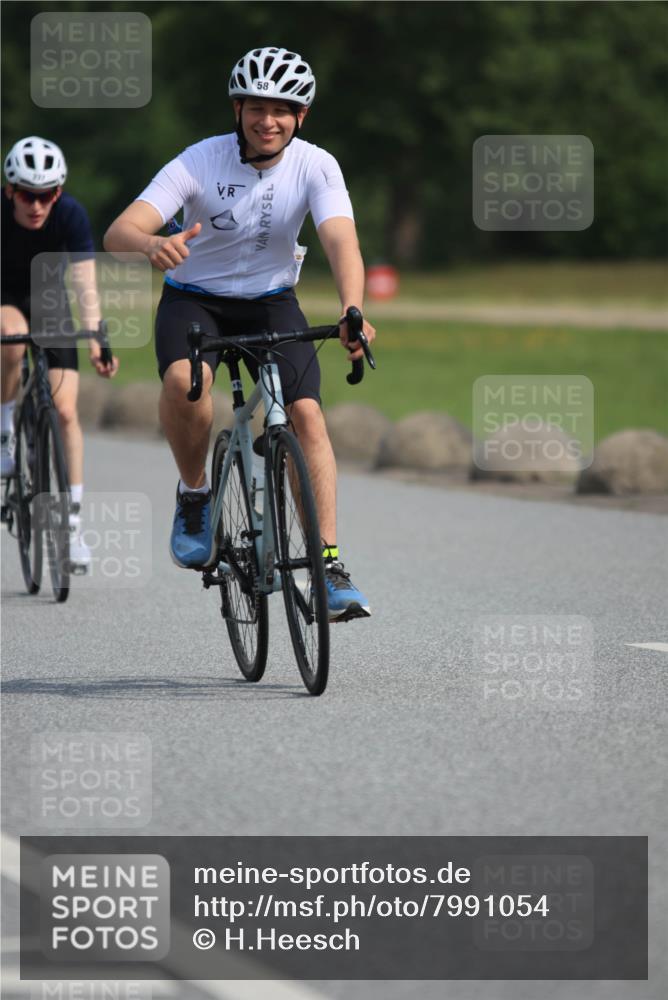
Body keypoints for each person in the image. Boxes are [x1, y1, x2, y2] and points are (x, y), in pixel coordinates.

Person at [104, 46, 375, 621]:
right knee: (186, 382)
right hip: (194, 301)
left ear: (301, 116)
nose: (268, 119)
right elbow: (119, 230)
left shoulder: (317, 165)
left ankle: (327, 564)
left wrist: (352, 309)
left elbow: (340, 241)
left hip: (272, 303)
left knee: (307, 418)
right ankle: (196, 494)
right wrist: (152, 243)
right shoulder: (199, 161)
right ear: (238, 109)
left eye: (283, 108)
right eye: (257, 106)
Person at [1, 136, 119, 570]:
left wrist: (97, 337)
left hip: (49, 302)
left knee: (66, 412)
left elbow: (85, 283)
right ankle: (5, 429)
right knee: (11, 336)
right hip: (5, 297)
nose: (37, 205)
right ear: (10, 191)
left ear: (59, 193)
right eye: (28, 195)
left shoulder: (70, 215)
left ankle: (71, 529)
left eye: (46, 194)